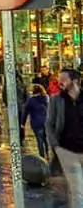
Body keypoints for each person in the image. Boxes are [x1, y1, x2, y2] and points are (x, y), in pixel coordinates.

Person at [47, 69, 83, 205]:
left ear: (75, 81)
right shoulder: (56, 100)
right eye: (59, 79)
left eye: (63, 79)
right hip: (67, 152)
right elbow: (49, 124)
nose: (60, 82)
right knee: (77, 192)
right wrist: (56, 146)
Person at [23, 84, 49, 160]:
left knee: (39, 139)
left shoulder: (31, 100)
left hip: (36, 122)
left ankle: (42, 156)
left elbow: (25, 112)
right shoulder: (46, 98)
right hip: (46, 121)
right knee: (45, 138)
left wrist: (23, 123)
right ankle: (47, 152)